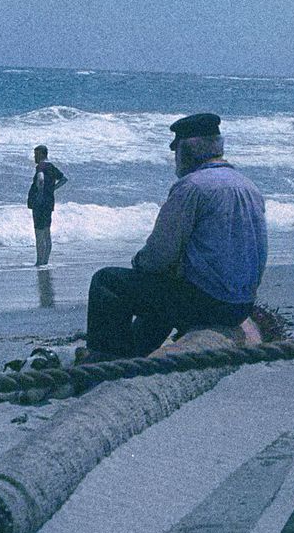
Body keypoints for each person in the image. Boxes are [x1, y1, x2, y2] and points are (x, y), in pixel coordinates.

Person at [83, 113, 267, 361]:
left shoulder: (193, 186)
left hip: (210, 305)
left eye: (177, 151)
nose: (175, 159)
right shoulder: (248, 186)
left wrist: (139, 266)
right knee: (165, 289)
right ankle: (135, 351)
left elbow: (159, 254)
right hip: (241, 305)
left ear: (188, 151)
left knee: (107, 281)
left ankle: (105, 360)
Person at [26, 145, 67, 266]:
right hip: (49, 202)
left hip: (39, 204)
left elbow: (40, 179)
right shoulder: (52, 167)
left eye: (36, 154)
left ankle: (39, 261)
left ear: (42, 154)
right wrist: (52, 189)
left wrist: (39, 193)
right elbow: (64, 179)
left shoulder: (41, 166)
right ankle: (45, 261)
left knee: (39, 233)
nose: (34, 157)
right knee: (46, 232)